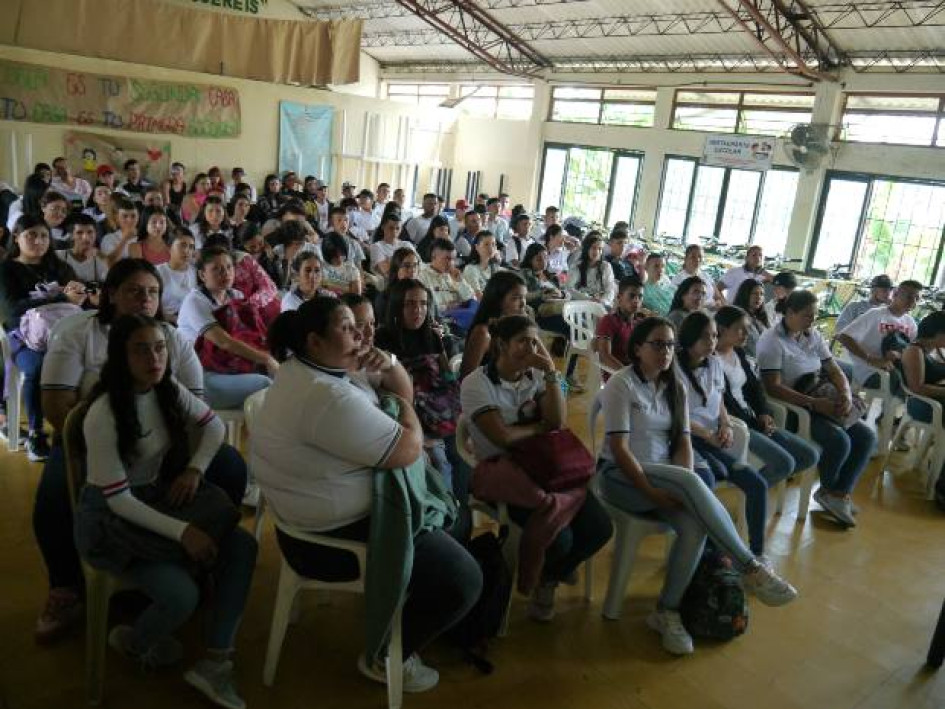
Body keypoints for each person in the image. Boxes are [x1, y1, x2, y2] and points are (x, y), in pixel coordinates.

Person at [253, 296, 482, 692]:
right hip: (328, 544)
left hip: (323, 515)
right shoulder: (325, 395)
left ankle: (412, 607)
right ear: (314, 341)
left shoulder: (321, 366)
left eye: (361, 325)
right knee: (464, 578)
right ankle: (385, 655)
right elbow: (407, 448)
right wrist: (401, 408)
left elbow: (401, 388)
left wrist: (389, 364)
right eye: (347, 326)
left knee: (456, 518)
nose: (360, 333)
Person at [36, 259, 247, 644]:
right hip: (87, 442)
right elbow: (55, 404)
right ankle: (65, 587)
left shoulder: (168, 338)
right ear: (111, 294)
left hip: (163, 438)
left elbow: (195, 406)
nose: (144, 300)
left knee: (229, 466)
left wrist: (189, 464)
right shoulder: (79, 331)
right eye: (134, 291)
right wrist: (111, 444)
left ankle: (202, 560)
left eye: (152, 292)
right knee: (54, 495)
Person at [74, 313, 255, 707]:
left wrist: (194, 469)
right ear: (120, 357)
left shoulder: (166, 387)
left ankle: (216, 661)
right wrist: (184, 532)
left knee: (241, 545)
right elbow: (118, 498)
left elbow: (214, 427)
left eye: (159, 348)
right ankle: (133, 642)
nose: (154, 358)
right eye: (140, 350)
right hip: (112, 517)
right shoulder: (103, 413)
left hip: (153, 497)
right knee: (182, 595)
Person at [596, 316, 797, 655]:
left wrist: (682, 483)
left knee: (694, 528)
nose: (666, 352)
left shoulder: (673, 385)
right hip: (621, 476)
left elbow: (683, 442)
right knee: (692, 485)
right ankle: (750, 567)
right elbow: (619, 449)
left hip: (665, 476)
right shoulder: (621, 384)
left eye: (671, 345)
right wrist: (653, 491)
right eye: (657, 344)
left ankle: (666, 611)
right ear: (637, 349)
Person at [460, 315, 613, 621]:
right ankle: (548, 574)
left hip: (546, 467)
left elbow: (556, 421)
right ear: (501, 344)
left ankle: (551, 576)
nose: (531, 348)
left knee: (600, 528)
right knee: (561, 539)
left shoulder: (536, 375)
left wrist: (552, 373)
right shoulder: (476, 383)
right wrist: (539, 428)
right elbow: (501, 437)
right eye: (523, 342)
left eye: (534, 341)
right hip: (503, 472)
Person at [757, 290, 877, 528]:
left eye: (814, 315)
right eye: (806, 315)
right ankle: (831, 490)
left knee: (866, 436)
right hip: (793, 408)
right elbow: (773, 388)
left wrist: (844, 393)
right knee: (839, 440)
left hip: (820, 397)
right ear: (789, 313)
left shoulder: (812, 336)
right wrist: (812, 403)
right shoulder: (772, 341)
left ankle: (838, 493)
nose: (812, 320)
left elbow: (834, 370)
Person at [676, 311, 777, 560]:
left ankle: (756, 553)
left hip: (711, 438)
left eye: (713, 336)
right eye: (704, 337)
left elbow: (718, 397)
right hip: (685, 438)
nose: (711, 342)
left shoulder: (713, 363)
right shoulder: (674, 368)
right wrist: (708, 435)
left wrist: (725, 424)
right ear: (689, 339)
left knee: (756, 484)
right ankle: (711, 555)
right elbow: (676, 416)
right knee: (708, 480)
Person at [714, 304, 820, 527]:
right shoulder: (710, 358)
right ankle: (752, 494)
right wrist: (752, 421)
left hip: (753, 420)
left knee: (808, 456)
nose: (746, 334)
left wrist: (764, 413)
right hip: (734, 426)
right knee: (784, 463)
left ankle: (751, 489)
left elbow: (754, 388)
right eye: (740, 329)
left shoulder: (739, 353)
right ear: (722, 329)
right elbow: (720, 402)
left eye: (747, 328)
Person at [0, 216, 85, 461]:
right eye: (31, 235)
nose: (38, 241)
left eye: (44, 236)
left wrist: (83, 294)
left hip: (63, 332)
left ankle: (75, 426)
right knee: (35, 367)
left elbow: (77, 297)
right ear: (16, 237)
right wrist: (60, 299)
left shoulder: (58, 267)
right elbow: (12, 309)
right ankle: (37, 434)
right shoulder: (7, 269)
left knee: (90, 360)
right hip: (23, 337)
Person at [375, 279, 468, 500]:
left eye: (423, 304)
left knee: (463, 454)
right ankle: (447, 510)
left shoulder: (431, 335)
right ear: (397, 306)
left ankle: (460, 508)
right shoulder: (383, 339)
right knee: (439, 461)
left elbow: (447, 378)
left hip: (443, 412)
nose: (418, 310)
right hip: (412, 418)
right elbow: (387, 394)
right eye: (409, 304)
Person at [177, 246, 278, 410]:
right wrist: (266, 359)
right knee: (264, 384)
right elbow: (224, 342)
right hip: (201, 375)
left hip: (230, 367)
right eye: (216, 269)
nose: (225, 273)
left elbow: (251, 334)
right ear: (202, 275)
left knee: (280, 375)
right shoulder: (195, 301)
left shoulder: (236, 295)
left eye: (229, 267)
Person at [836, 279, 921, 393]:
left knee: (919, 384)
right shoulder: (875, 314)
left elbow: (912, 349)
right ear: (895, 294)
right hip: (870, 371)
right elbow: (844, 337)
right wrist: (870, 358)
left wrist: (900, 354)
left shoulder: (910, 322)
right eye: (909, 297)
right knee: (905, 389)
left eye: (917, 298)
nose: (913, 302)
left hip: (894, 370)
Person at [900, 311, 945, 487]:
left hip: (936, 401)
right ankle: (940, 475)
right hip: (922, 404)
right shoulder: (914, 351)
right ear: (939, 333)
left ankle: (938, 464)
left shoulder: (936, 350)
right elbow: (917, 387)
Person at [460, 271, 528, 379]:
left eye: (524, 297)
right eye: (516, 298)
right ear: (498, 300)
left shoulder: (515, 328)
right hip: (488, 393)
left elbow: (546, 365)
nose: (523, 304)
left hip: (515, 389)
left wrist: (528, 328)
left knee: (560, 384)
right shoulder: (483, 333)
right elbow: (466, 379)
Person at [419, 238, 477, 335]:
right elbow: (427, 307)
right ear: (434, 256)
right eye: (447, 259)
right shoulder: (422, 276)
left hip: (461, 317)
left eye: (453, 259)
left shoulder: (453, 275)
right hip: (441, 321)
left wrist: (459, 282)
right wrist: (447, 307)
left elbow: (471, 299)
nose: (451, 263)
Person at [596, 276, 645, 374]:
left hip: (635, 371)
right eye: (631, 296)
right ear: (619, 297)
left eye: (640, 296)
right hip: (616, 375)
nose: (636, 300)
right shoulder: (609, 320)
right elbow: (605, 356)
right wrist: (630, 376)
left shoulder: (639, 322)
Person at [155, 228, 197, 323]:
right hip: (167, 321)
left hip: (192, 319)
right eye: (182, 245)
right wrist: (175, 319)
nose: (187, 251)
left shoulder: (195, 272)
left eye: (191, 247)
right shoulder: (158, 272)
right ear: (169, 247)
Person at [55, 214, 108, 286]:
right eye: (79, 233)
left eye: (90, 232)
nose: (86, 237)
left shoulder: (100, 259)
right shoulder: (58, 256)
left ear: (96, 234)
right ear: (71, 236)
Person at [566, 233, 616, 307]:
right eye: (593, 248)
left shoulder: (606, 267)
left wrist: (602, 301)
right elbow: (569, 288)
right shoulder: (577, 266)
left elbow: (610, 290)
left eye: (600, 249)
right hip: (581, 304)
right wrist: (589, 300)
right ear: (587, 249)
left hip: (601, 304)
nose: (596, 252)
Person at [671, 244, 722, 308]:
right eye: (693, 257)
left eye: (700, 257)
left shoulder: (706, 275)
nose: (697, 260)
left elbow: (717, 296)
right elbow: (682, 303)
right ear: (686, 259)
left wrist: (718, 303)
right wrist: (710, 306)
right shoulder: (678, 279)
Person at [369, 210, 415, 278]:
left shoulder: (407, 244)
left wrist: (392, 261)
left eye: (397, 228)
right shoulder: (377, 247)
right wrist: (408, 263)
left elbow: (419, 265)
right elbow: (387, 272)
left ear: (401, 229)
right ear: (383, 227)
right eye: (391, 228)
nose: (394, 232)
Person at [732, 279, 771, 357]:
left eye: (762, 294)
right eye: (755, 293)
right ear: (745, 294)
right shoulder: (736, 317)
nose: (759, 297)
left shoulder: (761, 317)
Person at [100, 198, 140, 268]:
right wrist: (125, 239)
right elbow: (110, 263)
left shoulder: (144, 235)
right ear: (117, 218)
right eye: (125, 216)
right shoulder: (108, 239)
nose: (130, 220)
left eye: (133, 216)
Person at [462, 231, 503, 299]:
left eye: (493, 244)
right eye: (486, 244)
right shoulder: (470, 269)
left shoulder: (496, 268)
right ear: (477, 247)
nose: (491, 248)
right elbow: (478, 296)